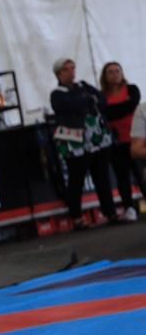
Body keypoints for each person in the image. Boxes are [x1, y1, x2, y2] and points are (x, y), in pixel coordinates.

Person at [50, 57, 118, 230]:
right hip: (75, 142)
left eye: (73, 68)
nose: (72, 72)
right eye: (67, 69)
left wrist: (88, 100)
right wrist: (87, 100)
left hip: (96, 137)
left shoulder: (83, 86)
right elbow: (74, 105)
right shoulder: (57, 94)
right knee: (76, 179)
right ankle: (77, 216)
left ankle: (110, 212)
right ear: (59, 73)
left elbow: (101, 99)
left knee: (102, 176)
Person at [100, 61, 141, 222]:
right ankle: (129, 208)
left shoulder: (132, 89)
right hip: (116, 142)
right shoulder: (102, 96)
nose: (115, 74)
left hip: (137, 138)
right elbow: (107, 114)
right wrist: (122, 109)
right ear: (105, 76)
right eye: (110, 72)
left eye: (117, 71)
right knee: (122, 177)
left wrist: (117, 111)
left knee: (141, 174)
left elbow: (133, 105)